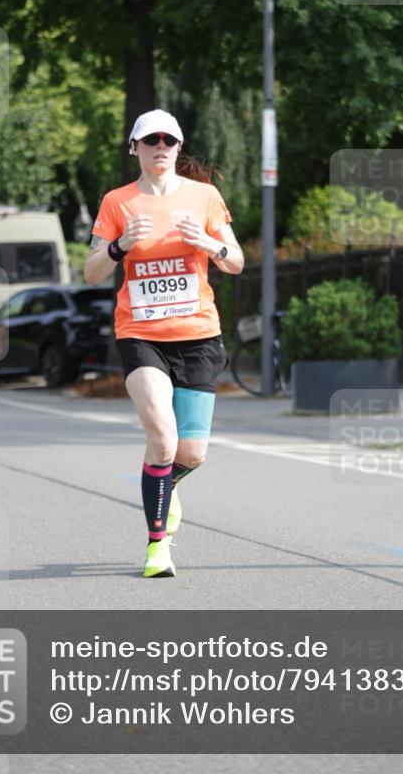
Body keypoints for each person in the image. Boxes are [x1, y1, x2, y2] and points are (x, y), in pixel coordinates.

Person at [84, 109, 244, 577]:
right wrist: (119, 246)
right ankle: (158, 545)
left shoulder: (204, 197)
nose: (160, 147)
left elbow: (236, 261)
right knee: (163, 437)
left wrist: (209, 244)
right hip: (140, 334)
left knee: (191, 454)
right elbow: (92, 270)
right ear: (134, 147)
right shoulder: (118, 203)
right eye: (150, 140)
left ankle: (164, 487)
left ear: (177, 147)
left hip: (197, 335)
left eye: (168, 141)